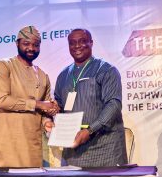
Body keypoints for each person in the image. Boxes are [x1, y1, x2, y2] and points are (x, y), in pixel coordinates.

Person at [53, 28, 128, 167]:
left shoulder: (106, 70)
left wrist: (90, 130)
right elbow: (58, 105)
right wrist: (51, 116)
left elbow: (114, 104)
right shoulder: (63, 75)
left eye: (82, 41)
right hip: (73, 151)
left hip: (104, 149)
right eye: (72, 43)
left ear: (91, 43)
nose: (77, 46)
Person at [0, 26, 59, 167]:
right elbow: (2, 101)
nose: (31, 48)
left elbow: (44, 111)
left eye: (36, 45)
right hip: (7, 145)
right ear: (17, 44)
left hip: (32, 146)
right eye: (26, 44)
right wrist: (39, 104)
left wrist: (48, 121)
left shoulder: (43, 75)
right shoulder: (4, 65)